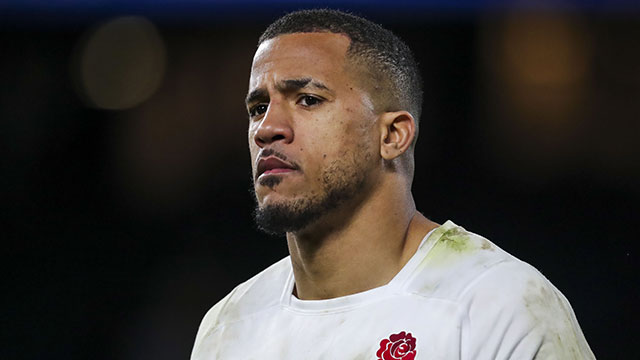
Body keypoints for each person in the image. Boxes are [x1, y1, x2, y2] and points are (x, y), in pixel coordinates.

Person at [191, 9, 594, 359]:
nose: (267, 129)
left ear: (392, 136)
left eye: (308, 99)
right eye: (258, 107)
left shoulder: (497, 306)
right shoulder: (227, 328)